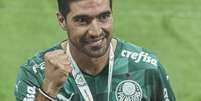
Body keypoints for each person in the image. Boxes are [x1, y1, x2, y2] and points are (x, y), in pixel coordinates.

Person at [14, 0, 176, 101]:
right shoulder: (36, 73)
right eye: (82, 20)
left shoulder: (146, 68)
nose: (96, 31)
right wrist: (49, 89)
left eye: (104, 16)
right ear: (62, 20)